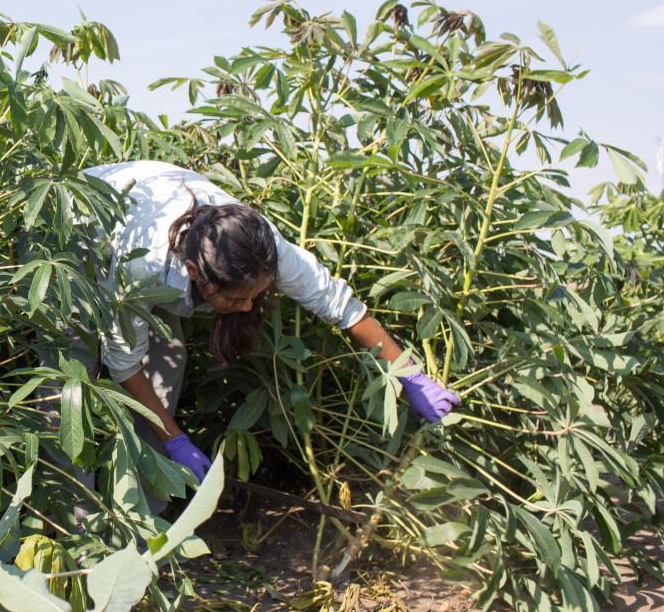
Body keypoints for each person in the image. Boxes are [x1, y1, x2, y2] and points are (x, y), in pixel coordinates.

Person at [83, 160, 460, 482]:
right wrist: (176, 440)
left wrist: (410, 375)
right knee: (72, 384)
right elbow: (125, 364)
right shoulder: (143, 268)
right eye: (235, 298)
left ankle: (151, 515)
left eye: (253, 295)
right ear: (196, 273)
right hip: (79, 241)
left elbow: (342, 307)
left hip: (152, 210)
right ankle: (79, 524)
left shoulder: (264, 249)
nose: (247, 308)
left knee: (170, 365)